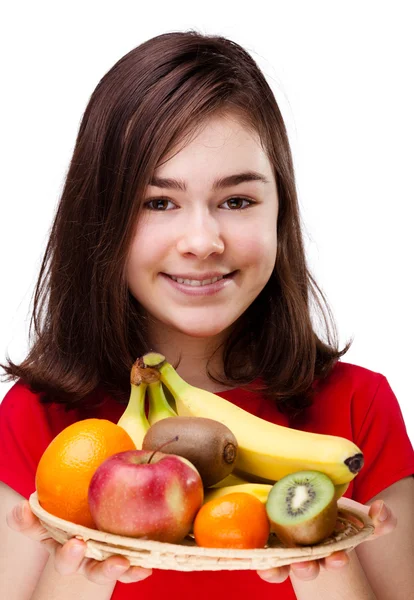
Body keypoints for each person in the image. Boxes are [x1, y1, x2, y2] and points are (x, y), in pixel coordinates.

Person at [0, 30, 413, 600]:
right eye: (158, 202)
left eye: (237, 201)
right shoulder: (38, 424)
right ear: (101, 218)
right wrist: (78, 572)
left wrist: (325, 560)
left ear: (280, 214)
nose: (201, 240)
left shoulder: (358, 414)